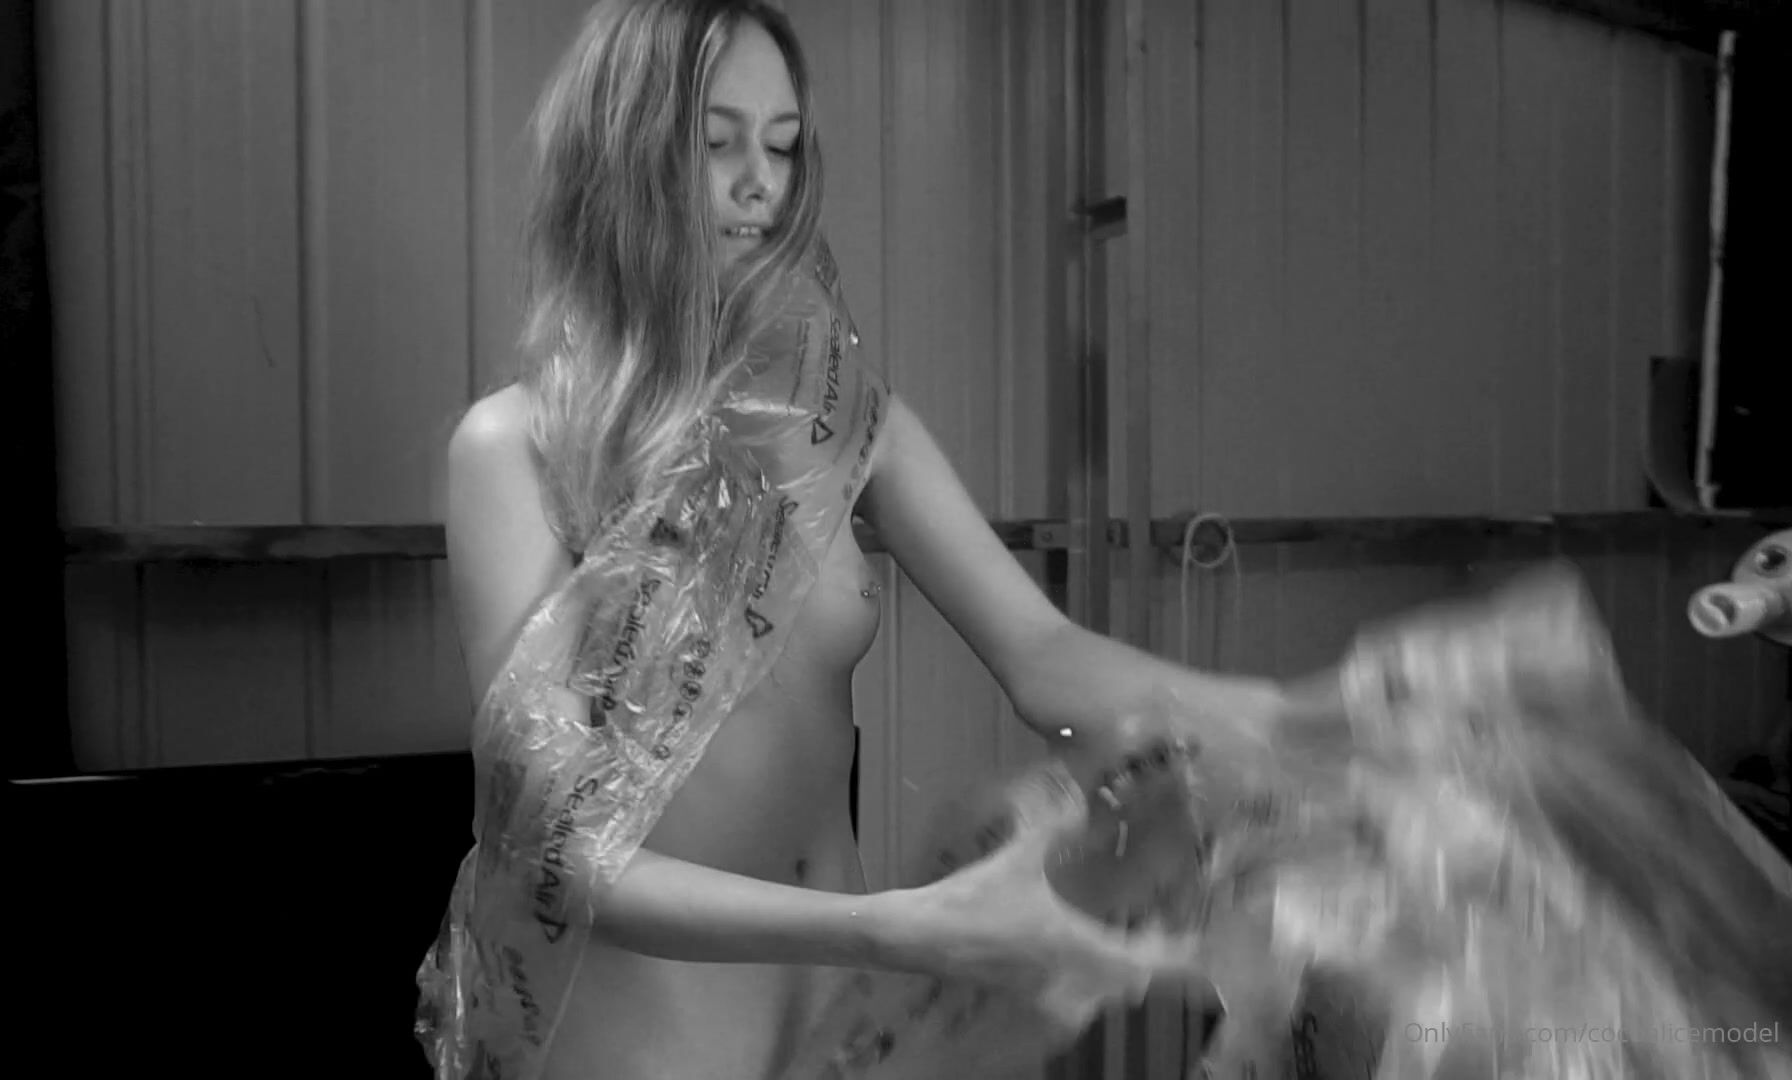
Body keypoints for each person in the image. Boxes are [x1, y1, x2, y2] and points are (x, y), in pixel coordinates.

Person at [420, 2, 1286, 1078]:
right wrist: (899, 929)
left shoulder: (837, 422)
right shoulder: (516, 450)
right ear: (622, 157)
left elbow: (1043, 656)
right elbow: (558, 854)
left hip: (838, 1031)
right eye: (718, 142)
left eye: (783, 146)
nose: (761, 184)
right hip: (646, 1044)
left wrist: (1282, 724)